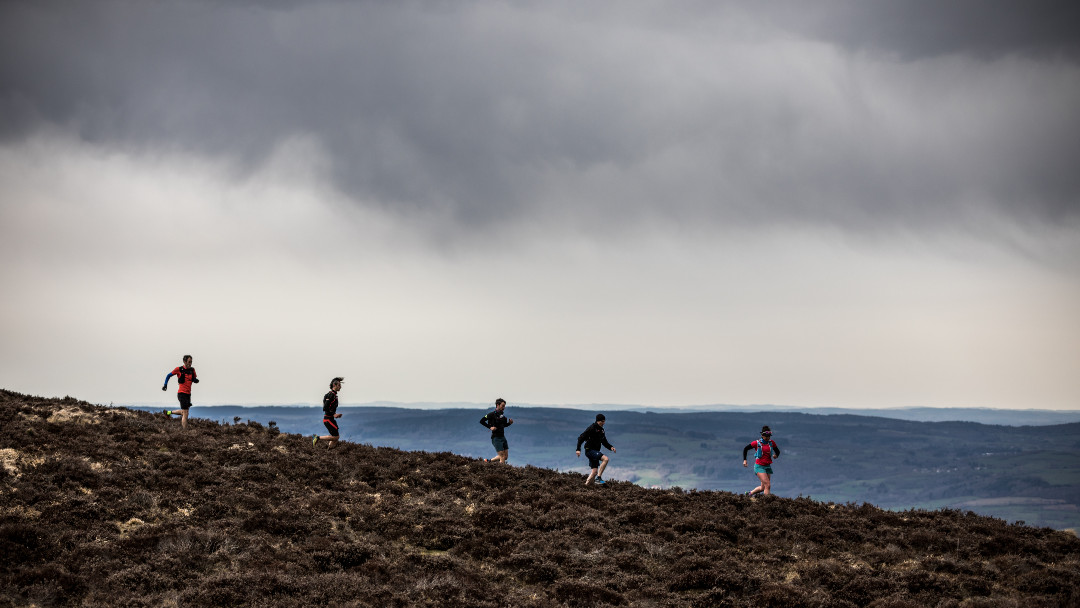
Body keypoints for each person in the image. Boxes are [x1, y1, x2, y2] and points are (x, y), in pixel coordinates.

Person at [576, 413, 615, 485]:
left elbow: (604, 441)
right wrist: (578, 449)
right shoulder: (591, 428)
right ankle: (598, 478)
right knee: (606, 459)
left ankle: (585, 486)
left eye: (604, 421)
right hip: (589, 450)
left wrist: (610, 447)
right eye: (602, 421)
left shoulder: (602, 430)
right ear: (598, 421)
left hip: (595, 451)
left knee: (594, 472)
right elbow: (581, 438)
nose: (604, 423)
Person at [162, 355, 198, 429]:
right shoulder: (179, 369)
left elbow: (194, 378)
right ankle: (185, 433)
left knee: (184, 412)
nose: (190, 364)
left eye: (191, 362)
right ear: (184, 362)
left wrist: (195, 380)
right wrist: (165, 385)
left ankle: (168, 413)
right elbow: (168, 375)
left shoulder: (192, 370)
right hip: (181, 393)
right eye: (189, 362)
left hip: (188, 394)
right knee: (185, 413)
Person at [743, 425, 780, 496]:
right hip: (759, 467)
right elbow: (745, 449)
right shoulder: (757, 443)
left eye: (769, 436)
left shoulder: (771, 443)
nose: (767, 438)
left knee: (763, 488)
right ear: (762, 435)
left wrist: (776, 455)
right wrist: (745, 460)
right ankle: (766, 504)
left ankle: (749, 493)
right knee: (768, 485)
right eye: (766, 436)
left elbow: (777, 451)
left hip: (767, 467)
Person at [312, 377, 344, 448]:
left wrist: (335, 415)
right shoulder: (331, 395)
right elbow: (325, 408)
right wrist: (334, 414)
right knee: (336, 437)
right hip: (328, 419)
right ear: (334, 385)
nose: (340, 387)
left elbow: (330, 408)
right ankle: (317, 438)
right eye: (339, 385)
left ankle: (329, 451)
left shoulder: (334, 395)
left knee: (335, 439)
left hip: (330, 419)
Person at [479, 398, 513, 463]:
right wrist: (490, 427)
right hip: (496, 438)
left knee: (505, 457)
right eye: (502, 406)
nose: (504, 407)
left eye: (504, 406)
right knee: (502, 456)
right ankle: (502, 471)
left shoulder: (503, 417)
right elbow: (482, 421)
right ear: (498, 405)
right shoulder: (491, 414)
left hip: (503, 437)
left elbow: (504, 426)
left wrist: (509, 423)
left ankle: (488, 461)